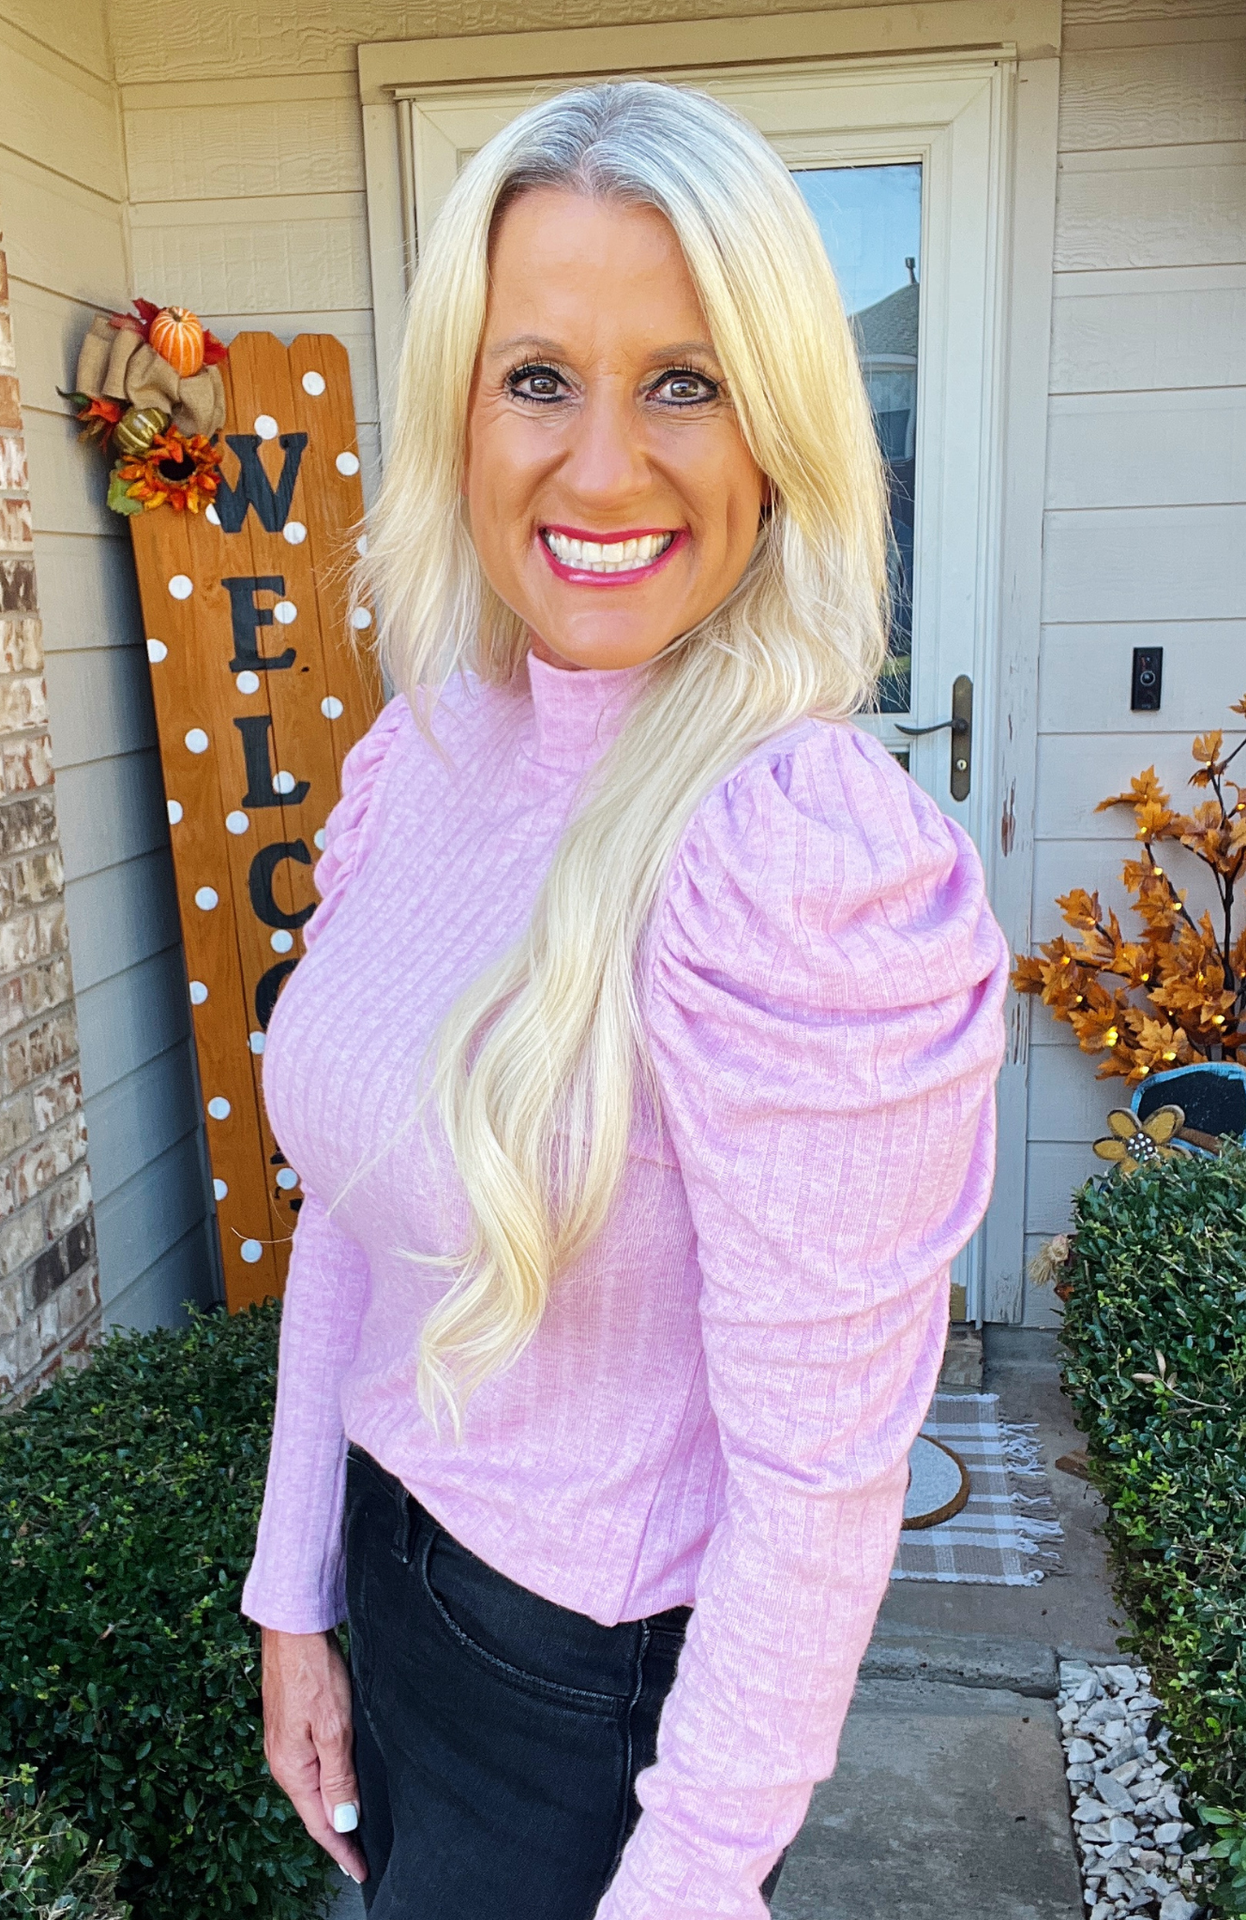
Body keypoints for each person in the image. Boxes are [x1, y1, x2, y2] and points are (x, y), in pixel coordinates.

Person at [241, 79, 1008, 1920]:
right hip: (397, 1575)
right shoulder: (422, 758)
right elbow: (345, 1210)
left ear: (781, 431)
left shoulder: (796, 859)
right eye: (537, 379)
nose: (601, 469)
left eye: (686, 379)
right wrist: (296, 1598)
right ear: (460, 411)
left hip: (586, 1698)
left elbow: (821, 1486)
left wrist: (690, 1881)